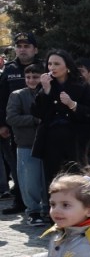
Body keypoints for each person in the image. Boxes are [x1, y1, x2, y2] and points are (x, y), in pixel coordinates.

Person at [33, 49, 90, 183]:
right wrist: (45, 92)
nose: (52, 67)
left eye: (57, 64)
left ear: (67, 66)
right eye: (50, 64)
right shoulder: (46, 84)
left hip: (74, 141)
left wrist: (73, 105)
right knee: (52, 181)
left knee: (74, 181)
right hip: (50, 140)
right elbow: (37, 112)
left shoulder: (81, 85)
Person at [7, 63, 47, 226]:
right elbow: (11, 118)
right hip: (26, 143)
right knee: (29, 180)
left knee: (46, 179)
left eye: (35, 77)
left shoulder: (48, 93)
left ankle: (47, 208)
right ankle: (33, 210)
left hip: (47, 144)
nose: (31, 80)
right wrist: (33, 120)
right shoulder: (17, 95)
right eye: (28, 77)